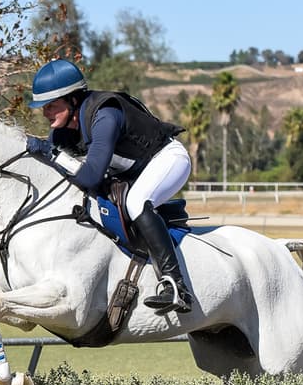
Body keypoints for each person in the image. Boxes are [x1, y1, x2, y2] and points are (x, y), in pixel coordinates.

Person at [25, 59, 194, 314]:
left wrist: (53, 154)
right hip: (132, 171)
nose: (46, 112)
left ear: (72, 100)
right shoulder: (62, 132)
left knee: (136, 202)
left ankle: (176, 286)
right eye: (43, 107)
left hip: (167, 159)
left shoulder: (105, 114)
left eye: (51, 105)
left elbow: (90, 177)